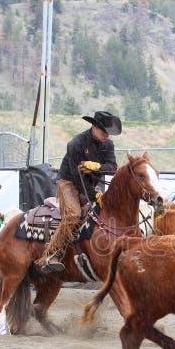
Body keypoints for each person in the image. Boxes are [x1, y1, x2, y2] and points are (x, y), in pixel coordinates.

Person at [36, 110, 121, 273]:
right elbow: (77, 177)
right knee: (74, 214)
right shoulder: (76, 143)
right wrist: (93, 194)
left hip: (93, 182)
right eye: (104, 132)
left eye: (108, 133)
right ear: (94, 127)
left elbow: (112, 168)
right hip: (69, 182)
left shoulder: (108, 144)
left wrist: (97, 167)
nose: (107, 136)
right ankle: (51, 254)